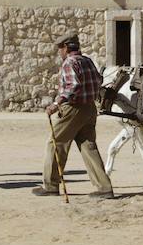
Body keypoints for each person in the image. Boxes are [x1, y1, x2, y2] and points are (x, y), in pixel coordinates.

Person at [33, 32, 115, 199]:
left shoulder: (69, 63)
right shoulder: (88, 61)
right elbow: (99, 81)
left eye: (60, 49)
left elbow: (72, 86)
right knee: (88, 146)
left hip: (73, 109)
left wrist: (56, 104)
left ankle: (50, 185)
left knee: (56, 143)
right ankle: (104, 187)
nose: (59, 53)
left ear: (65, 48)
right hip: (90, 109)